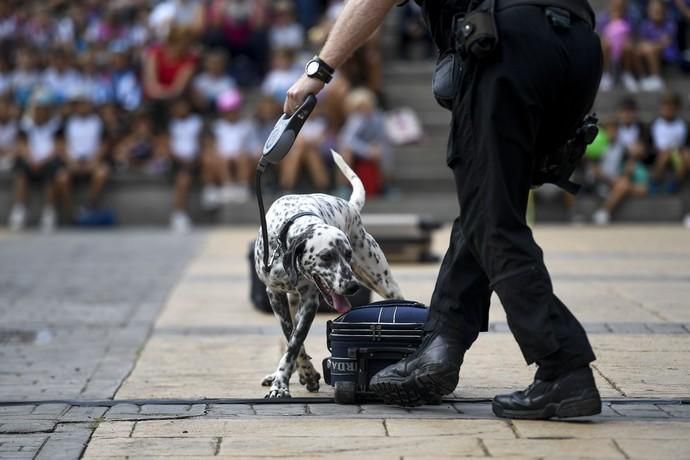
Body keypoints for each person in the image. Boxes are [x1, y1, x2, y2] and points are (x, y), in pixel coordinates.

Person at [283, 0, 603, 419]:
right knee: (484, 205)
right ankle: (441, 344)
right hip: (578, 46)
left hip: (508, 42)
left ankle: (564, 366)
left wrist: (318, 71)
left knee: (492, 219)